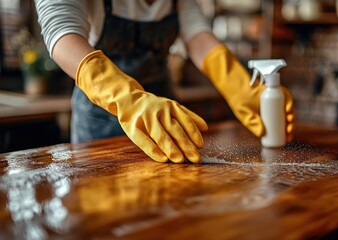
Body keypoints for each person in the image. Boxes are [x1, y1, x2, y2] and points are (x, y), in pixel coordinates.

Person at [34, 0, 295, 163]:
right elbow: (61, 32)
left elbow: (197, 34)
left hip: (166, 117)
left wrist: (237, 83)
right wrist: (129, 99)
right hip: (100, 119)